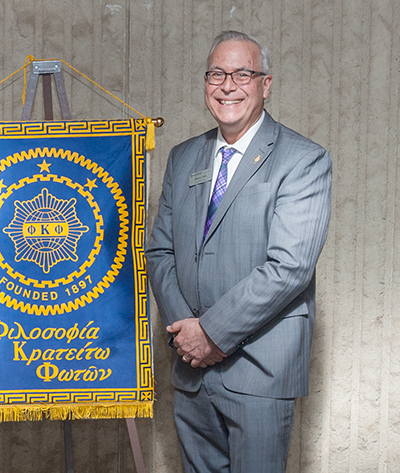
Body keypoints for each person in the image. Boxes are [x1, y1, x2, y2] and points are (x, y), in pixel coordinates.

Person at [145, 31, 332, 472]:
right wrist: (188, 337)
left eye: (242, 73)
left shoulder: (303, 160)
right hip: (191, 370)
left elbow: (289, 267)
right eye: (216, 74)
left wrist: (211, 333)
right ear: (205, 83)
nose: (228, 85)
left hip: (260, 370)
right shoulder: (183, 157)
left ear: (266, 84)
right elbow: (159, 252)